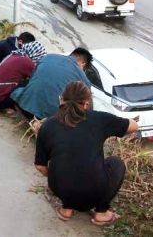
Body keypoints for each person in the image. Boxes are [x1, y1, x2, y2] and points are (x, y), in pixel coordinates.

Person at [35, 81, 139, 225]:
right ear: (86, 103)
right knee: (116, 163)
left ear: (62, 99)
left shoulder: (48, 125)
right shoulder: (99, 119)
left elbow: (40, 166)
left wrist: (58, 177)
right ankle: (101, 212)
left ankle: (67, 209)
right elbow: (134, 126)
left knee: (65, 166)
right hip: (93, 192)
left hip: (59, 189)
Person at [10, 47, 93, 120]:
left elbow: (32, 78)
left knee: (25, 83)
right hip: (49, 120)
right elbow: (86, 107)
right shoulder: (84, 79)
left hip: (24, 107)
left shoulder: (48, 57)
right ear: (83, 64)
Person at [0, 41, 47, 112]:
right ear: (36, 54)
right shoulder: (27, 62)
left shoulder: (14, 54)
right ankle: (17, 108)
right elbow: (37, 78)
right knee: (31, 84)